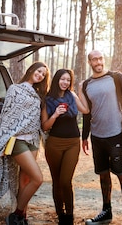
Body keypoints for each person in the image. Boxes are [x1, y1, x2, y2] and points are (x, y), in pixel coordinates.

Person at [77, 50, 122, 225]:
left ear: (103, 59)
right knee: (103, 175)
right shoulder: (86, 85)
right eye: (94, 59)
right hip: (97, 137)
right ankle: (106, 212)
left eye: (100, 58)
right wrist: (85, 136)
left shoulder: (116, 77)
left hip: (115, 134)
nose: (98, 61)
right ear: (90, 62)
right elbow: (87, 113)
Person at [0, 61, 50, 225]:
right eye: (38, 71)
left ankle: (22, 217)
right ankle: (15, 214)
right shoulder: (14, 89)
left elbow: (37, 118)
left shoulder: (38, 95)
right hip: (16, 140)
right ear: (31, 70)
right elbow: (7, 117)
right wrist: (4, 138)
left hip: (33, 140)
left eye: (43, 75)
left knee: (25, 180)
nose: (40, 75)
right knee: (37, 178)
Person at [41, 69, 90, 225]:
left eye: (68, 80)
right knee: (56, 180)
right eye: (62, 79)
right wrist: (55, 114)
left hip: (72, 143)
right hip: (54, 143)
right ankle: (61, 215)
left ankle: (69, 215)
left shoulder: (72, 96)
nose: (65, 82)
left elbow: (86, 109)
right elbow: (45, 127)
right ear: (56, 80)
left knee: (65, 180)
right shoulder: (47, 100)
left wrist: (81, 90)